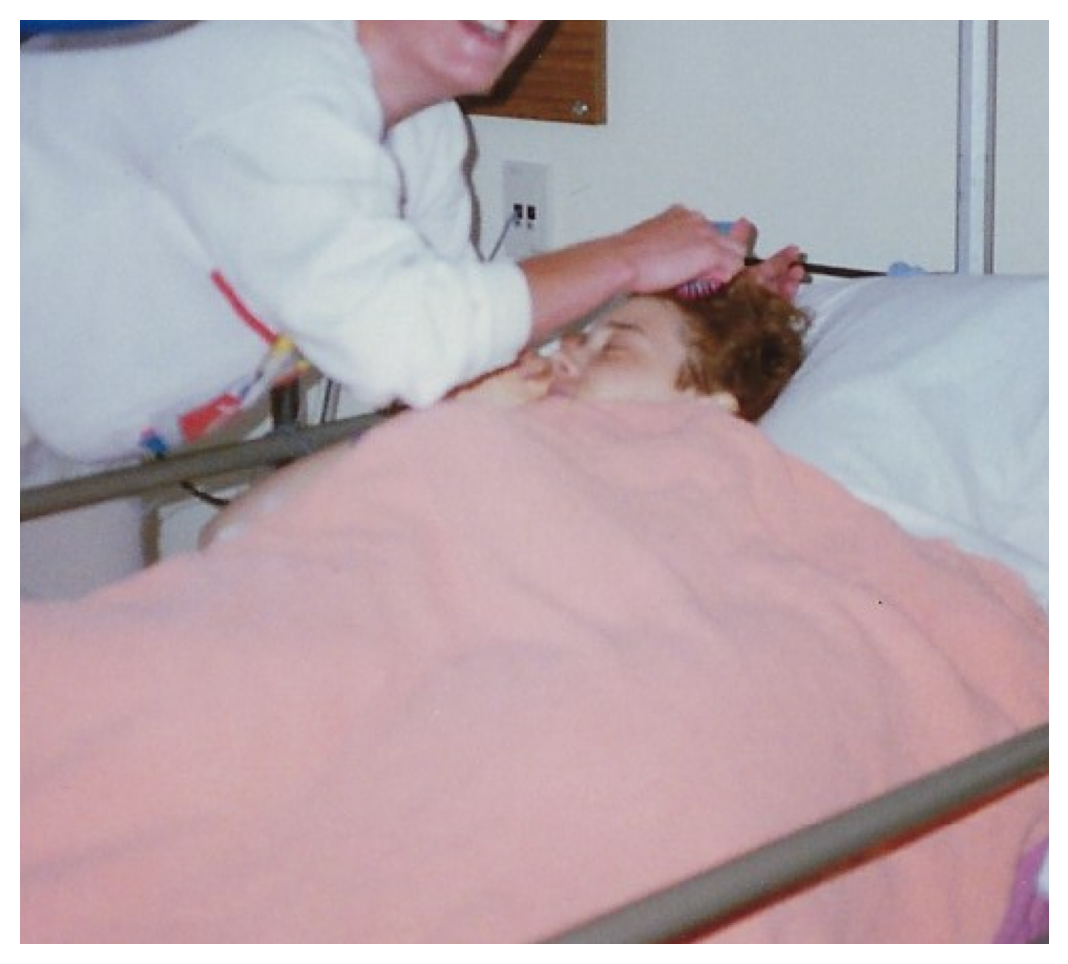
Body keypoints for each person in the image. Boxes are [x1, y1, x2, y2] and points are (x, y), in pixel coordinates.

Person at [22, 21, 791, 597]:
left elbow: (445, 345)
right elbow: (406, 345)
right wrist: (628, 256)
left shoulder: (421, 134)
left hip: (79, 461)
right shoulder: (263, 64)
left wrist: (728, 328)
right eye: (597, 340)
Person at [200, 270, 811, 547]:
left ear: (708, 404)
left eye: (616, 348)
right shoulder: (500, 435)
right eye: (582, 335)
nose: (570, 353)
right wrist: (448, 422)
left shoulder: (710, 498)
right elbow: (232, 535)